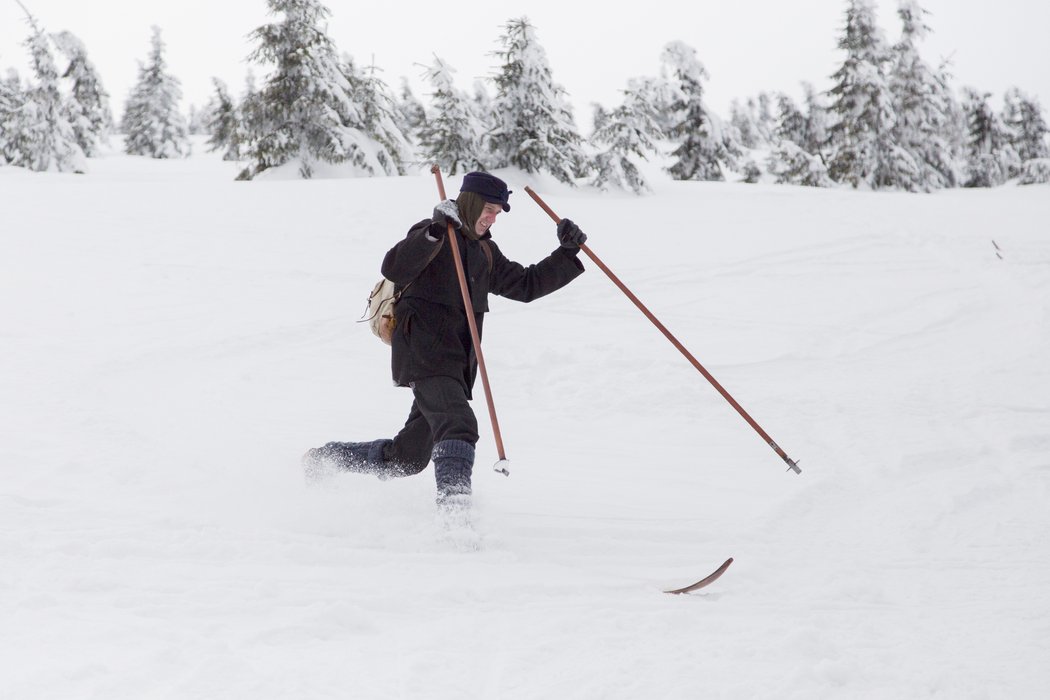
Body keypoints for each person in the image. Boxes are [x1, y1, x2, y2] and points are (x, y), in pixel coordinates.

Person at [302, 171, 587, 514]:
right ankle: (455, 510)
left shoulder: (485, 252)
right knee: (459, 423)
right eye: (489, 209)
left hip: (456, 367)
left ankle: (327, 459)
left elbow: (525, 286)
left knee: (407, 458)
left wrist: (566, 253)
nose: (492, 218)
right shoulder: (434, 233)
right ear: (470, 202)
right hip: (424, 356)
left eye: (497, 213)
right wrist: (434, 231)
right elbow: (395, 267)